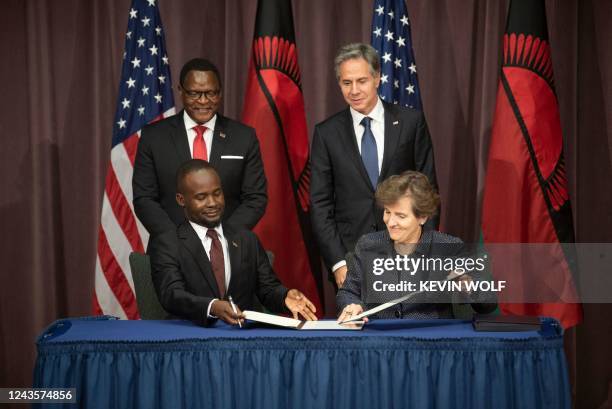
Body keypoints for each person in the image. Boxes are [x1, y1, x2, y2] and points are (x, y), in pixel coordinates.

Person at [310, 43, 438, 289]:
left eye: (362, 81)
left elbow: (428, 191)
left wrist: (423, 252)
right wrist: (338, 263)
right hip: (352, 260)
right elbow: (320, 204)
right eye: (347, 83)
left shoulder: (411, 122)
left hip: (407, 254)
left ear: (377, 78)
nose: (354, 90)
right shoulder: (326, 133)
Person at [148, 159, 317, 326]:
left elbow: (268, 288)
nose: (212, 203)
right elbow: (172, 294)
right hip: (191, 337)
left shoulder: (246, 239)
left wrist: (284, 296)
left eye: (217, 193)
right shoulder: (167, 243)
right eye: (201, 197)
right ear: (181, 200)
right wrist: (212, 307)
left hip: (241, 338)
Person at [336, 171, 495, 322]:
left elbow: (489, 302)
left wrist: (468, 285)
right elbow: (348, 292)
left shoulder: (449, 247)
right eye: (387, 212)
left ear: (423, 217)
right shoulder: (368, 245)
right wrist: (352, 305)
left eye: (401, 216)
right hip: (380, 341)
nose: (390, 222)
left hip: (431, 342)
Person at [133, 58, 267, 236]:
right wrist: (176, 240)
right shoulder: (154, 137)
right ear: (181, 91)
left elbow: (255, 198)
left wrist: (222, 237)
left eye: (211, 93)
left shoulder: (243, 137)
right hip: (171, 249)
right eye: (195, 93)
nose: (203, 101)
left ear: (219, 93)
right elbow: (144, 198)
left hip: (227, 248)